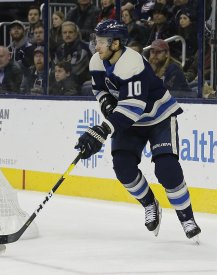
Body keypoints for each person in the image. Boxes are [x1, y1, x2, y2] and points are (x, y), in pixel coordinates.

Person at [75, 19, 201, 242]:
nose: (97, 45)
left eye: (102, 41)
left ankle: (186, 217)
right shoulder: (97, 60)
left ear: (116, 44)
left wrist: (103, 129)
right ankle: (150, 203)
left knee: (167, 169)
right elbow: (98, 88)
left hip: (158, 117)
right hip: (129, 121)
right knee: (122, 167)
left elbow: (133, 108)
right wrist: (105, 103)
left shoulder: (132, 63)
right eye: (96, 40)